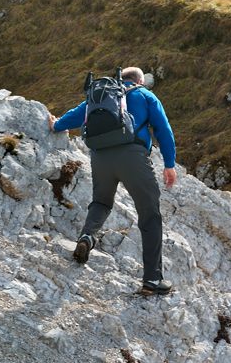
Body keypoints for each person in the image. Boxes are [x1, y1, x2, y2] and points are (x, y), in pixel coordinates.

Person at [48, 67, 178, 296]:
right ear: (139, 81)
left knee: (101, 202)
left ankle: (87, 237)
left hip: (100, 157)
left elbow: (77, 115)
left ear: (120, 80)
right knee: (149, 214)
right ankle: (152, 280)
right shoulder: (145, 95)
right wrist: (169, 164)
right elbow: (163, 129)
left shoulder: (104, 94)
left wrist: (56, 124)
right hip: (133, 158)